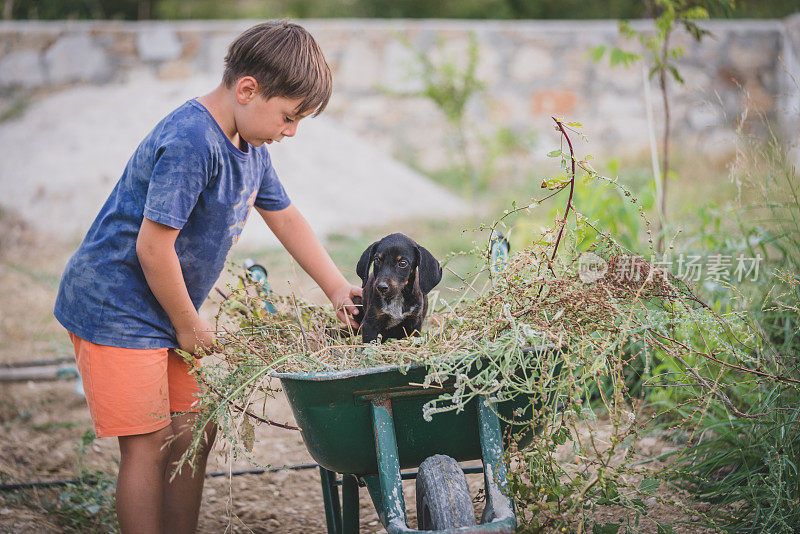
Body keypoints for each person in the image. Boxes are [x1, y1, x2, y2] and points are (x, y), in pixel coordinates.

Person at [53, 21, 360, 534]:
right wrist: (189, 323)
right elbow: (151, 247)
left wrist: (335, 288)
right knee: (148, 443)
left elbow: (285, 216)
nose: (291, 131)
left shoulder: (250, 147)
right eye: (288, 116)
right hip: (116, 307)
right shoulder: (192, 140)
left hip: (163, 308)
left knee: (195, 427)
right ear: (248, 89)